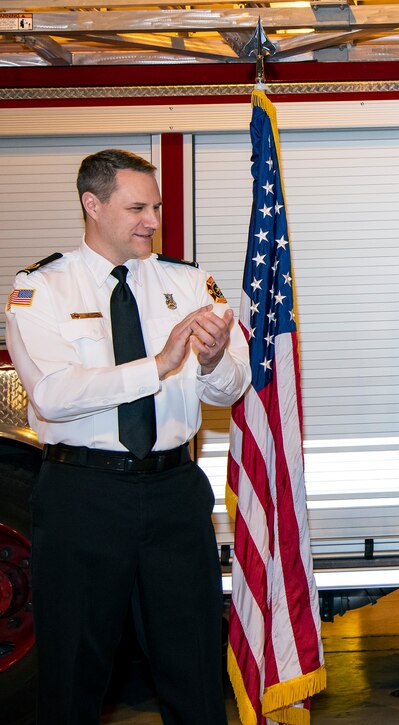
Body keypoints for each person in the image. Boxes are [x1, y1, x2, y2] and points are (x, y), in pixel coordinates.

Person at [5, 149, 250, 724]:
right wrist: (159, 363)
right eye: (136, 207)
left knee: (192, 668)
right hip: (82, 497)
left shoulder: (189, 283)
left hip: (174, 494)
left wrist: (213, 361)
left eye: (156, 206)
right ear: (92, 205)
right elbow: (53, 394)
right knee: (74, 673)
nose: (151, 220)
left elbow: (229, 390)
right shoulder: (42, 290)